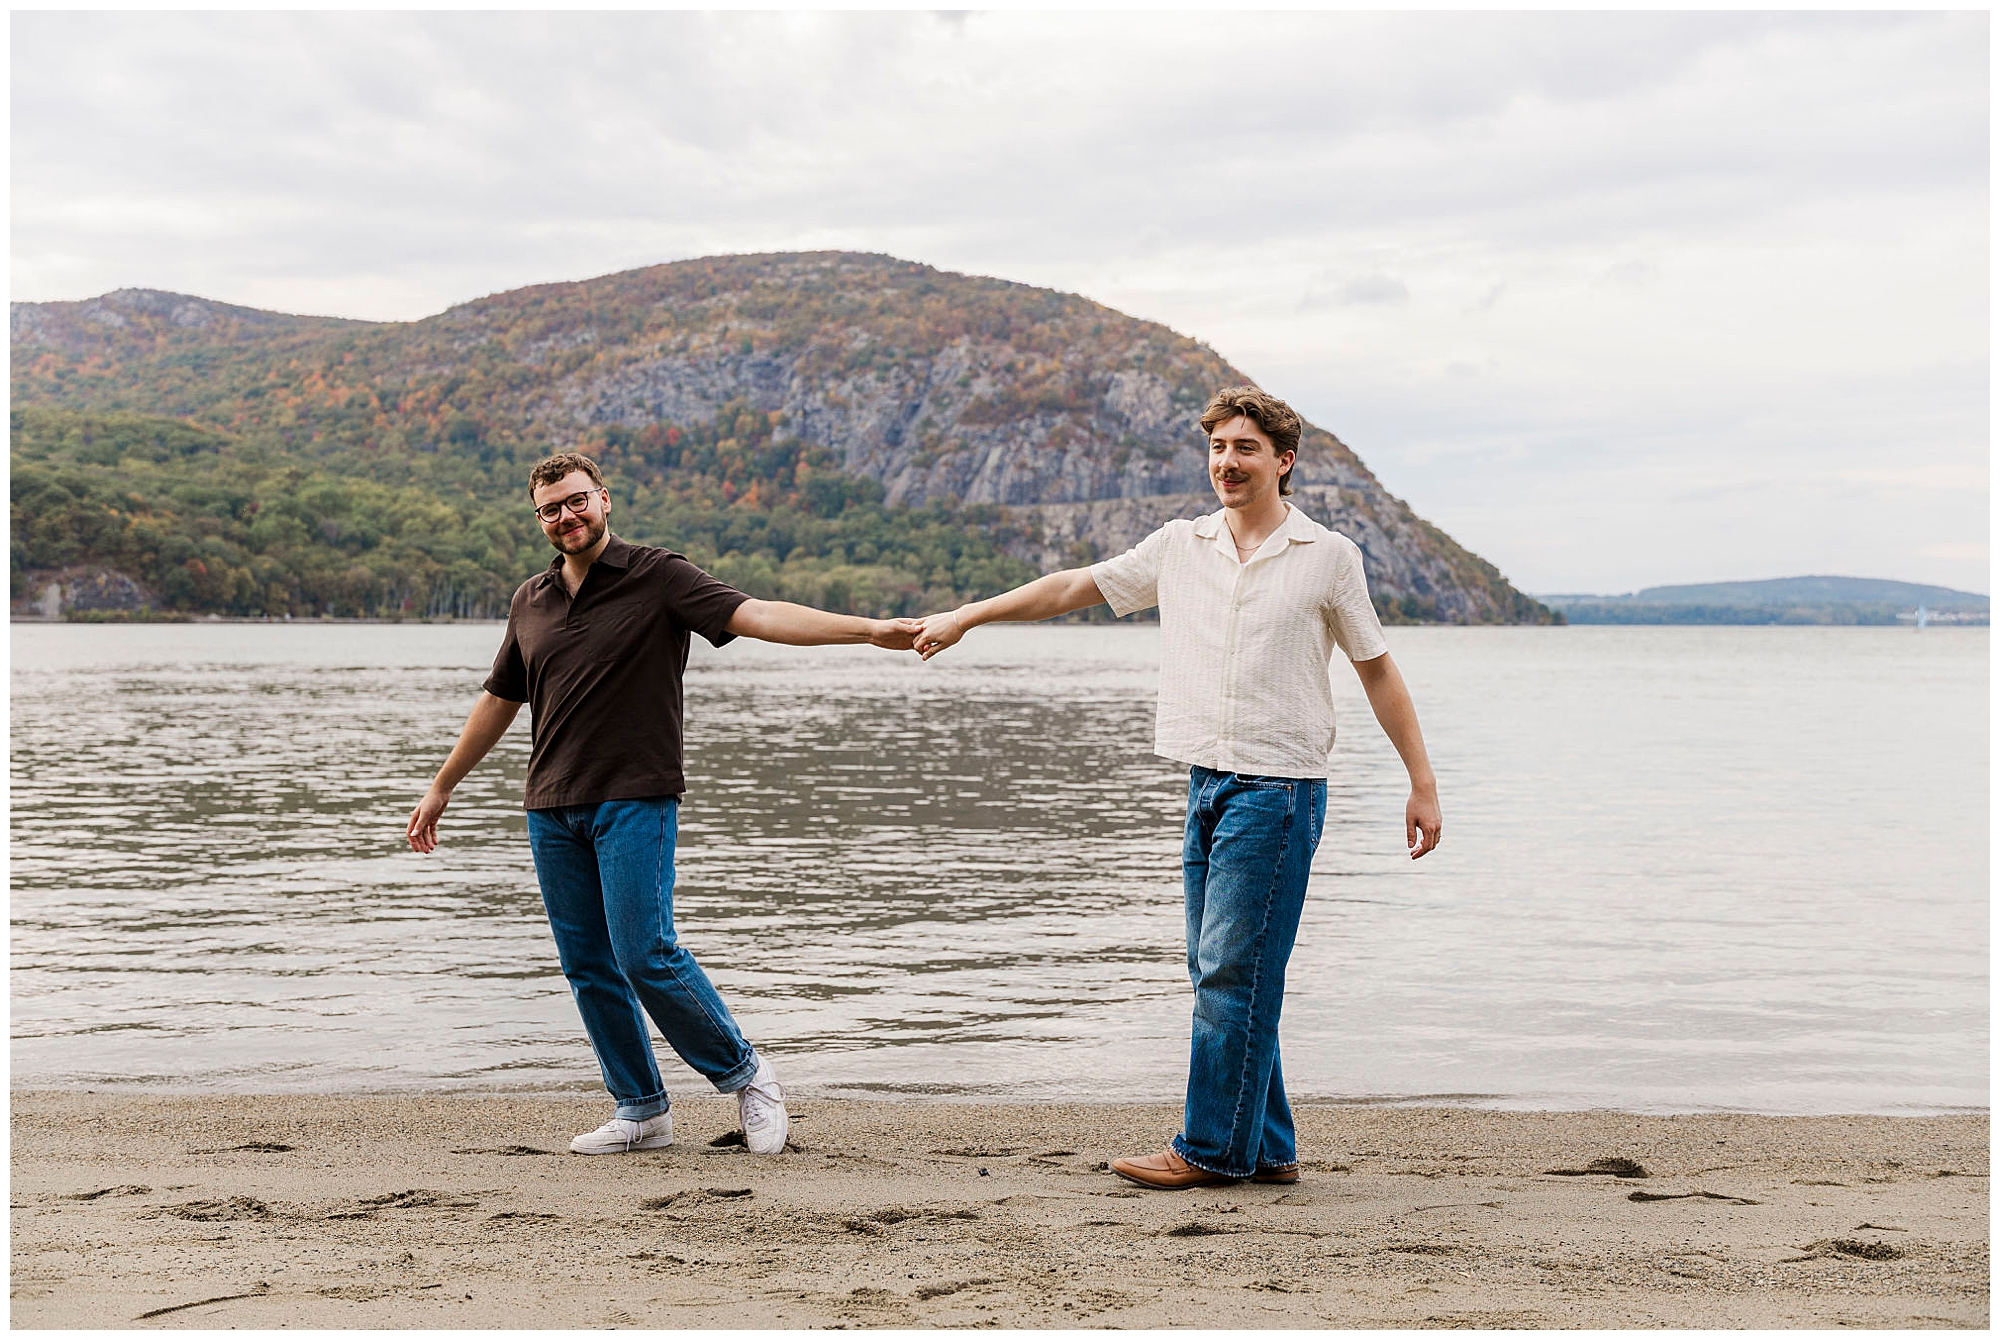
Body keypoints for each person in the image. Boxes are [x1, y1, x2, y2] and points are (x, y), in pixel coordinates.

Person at [912, 386, 1442, 1189]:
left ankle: (1210, 1149)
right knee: (1223, 969)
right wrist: (970, 615)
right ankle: (1265, 1145)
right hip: (1205, 782)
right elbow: (1068, 588)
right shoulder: (1179, 545)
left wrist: (1422, 783)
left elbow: (1376, 670)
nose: (1227, 463)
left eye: (1246, 449)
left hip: (1280, 788)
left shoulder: (1327, 556)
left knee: (1232, 969)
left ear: (1283, 461)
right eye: (1218, 449)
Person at [407, 451, 919, 1157]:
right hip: (551, 805)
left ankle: (747, 1076)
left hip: (635, 795)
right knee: (587, 963)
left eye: (576, 501)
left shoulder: (658, 576)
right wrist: (441, 787)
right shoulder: (532, 600)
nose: (566, 517)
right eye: (550, 509)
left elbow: (760, 614)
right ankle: (641, 1110)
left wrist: (869, 630)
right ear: (539, 519)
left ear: (605, 499)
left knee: (645, 949)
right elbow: (499, 699)